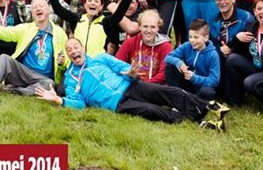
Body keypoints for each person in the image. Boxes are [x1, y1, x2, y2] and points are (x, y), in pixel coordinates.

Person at [35, 39, 222, 129]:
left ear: (82, 48)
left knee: (166, 92)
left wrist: (131, 73)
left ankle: (205, 106)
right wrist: (58, 100)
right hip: (117, 103)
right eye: (69, 50)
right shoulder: (70, 78)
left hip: (131, 86)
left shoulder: (100, 58)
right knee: (152, 111)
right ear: (68, 55)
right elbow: (79, 103)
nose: (73, 51)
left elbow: (124, 67)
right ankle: (188, 119)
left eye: (76, 47)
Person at [0, 0, 68, 99]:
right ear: (32, 13)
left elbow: (67, 58)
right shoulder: (26, 28)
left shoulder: (60, 33)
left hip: (43, 78)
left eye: (41, 6)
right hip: (23, 72)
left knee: (49, 84)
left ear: (48, 10)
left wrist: (62, 62)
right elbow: (6, 32)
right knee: (4, 58)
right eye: (35, 7)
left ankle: (15, 90)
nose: (38, 9)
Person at [42, 0, 138, 56]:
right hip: (79, 63)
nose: (93, 3)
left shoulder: (106, 22)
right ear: (85, 5)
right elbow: (59, 10)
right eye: (90, 0)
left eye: (96, 1)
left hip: (97, 66)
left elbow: (118, 14)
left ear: (101, 7)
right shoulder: (77, 19)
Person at [164, 19, 220, 100]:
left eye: (196, 37)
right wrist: (179, 63)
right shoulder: (187, 46)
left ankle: (193, 100)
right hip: (186, 81)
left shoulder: (213, 55)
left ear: (206, 37)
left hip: (201, 85)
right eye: (190, 37)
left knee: (207, 92)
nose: (192, 40)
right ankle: (177, 96)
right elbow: (168, 57)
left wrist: (195, 78)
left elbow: (214, 81)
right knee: (170, 67)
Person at [115, 10, 172, 83]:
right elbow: (117, 65)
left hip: (155, 86)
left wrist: (145, 85)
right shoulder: (129, 43)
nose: (149, 30)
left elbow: (164, 74)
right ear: (139, 27)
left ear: (158, 28)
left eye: (153, 27)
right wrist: (128, 75)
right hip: (131, 84)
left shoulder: (165, 46)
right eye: (145, 26)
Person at [209, 0, 254, 65]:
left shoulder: (246, 17)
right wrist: (221, 49)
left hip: (239, 59)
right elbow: (210, 43)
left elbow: (250, 46)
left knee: (231, 58)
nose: (222, 2)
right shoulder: (212, 19)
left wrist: (231, 48)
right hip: (219, 57)